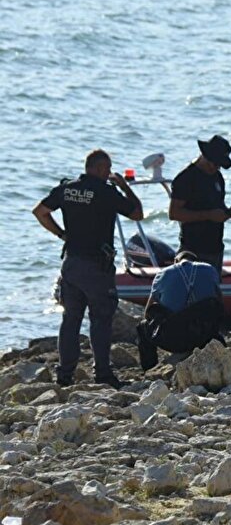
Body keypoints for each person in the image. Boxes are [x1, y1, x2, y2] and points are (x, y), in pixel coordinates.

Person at [33, 149, 144, 388]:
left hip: (71, 264)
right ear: (99, 168)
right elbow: (137, 213)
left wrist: (62, 234)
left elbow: (40, 212)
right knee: (100, 319)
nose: (108, 173)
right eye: (107, 168)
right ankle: (102, 373)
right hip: (97, 266)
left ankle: (64, 375)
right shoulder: (106, 192)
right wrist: (125, 186)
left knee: (70, 320)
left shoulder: (66, 189)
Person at [136, 251, 223, 370]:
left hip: (173, 340)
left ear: (175, 262)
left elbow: (147, 312)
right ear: (195, 261)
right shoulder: (210, 270)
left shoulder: (163, 274)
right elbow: (219, 302)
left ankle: (149, 368)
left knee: (142, 327)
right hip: (204, 335)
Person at [169, 135, 231, 270]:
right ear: (205, 156)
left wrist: (228, 213)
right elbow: (174, 213)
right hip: (193, 250)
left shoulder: (217, 177)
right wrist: (208, 215)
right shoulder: (186, 178)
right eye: (215, 163)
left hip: (215, 249)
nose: (217, 167)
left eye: (220, 165)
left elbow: (218, 205)